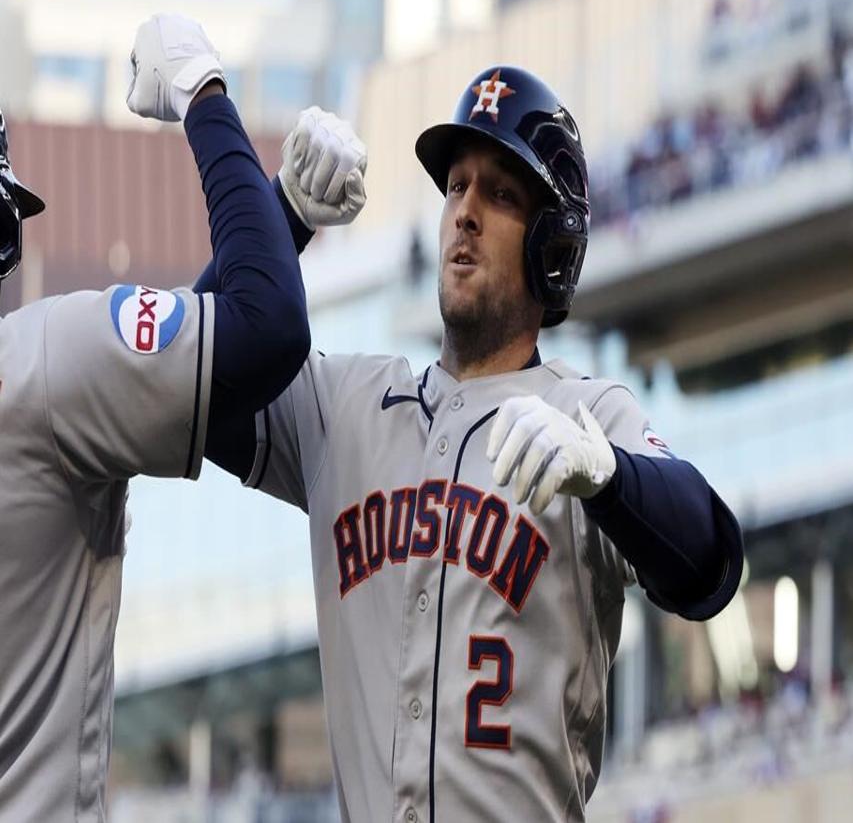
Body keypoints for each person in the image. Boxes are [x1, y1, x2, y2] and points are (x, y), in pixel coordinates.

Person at [199, 66, 744, 823]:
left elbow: (710, 564)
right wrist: (281, 213)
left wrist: (609, 475)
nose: (464, 213)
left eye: (500, 194)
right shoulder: (345, 404)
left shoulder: (583, 415)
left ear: (553, 244)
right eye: (456, 186)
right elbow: (192, 381)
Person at [0, 13, 365, 821]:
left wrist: (284, 217)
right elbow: (263, 325)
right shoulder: (33, 363)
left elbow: (173, 372)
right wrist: (203, 90)